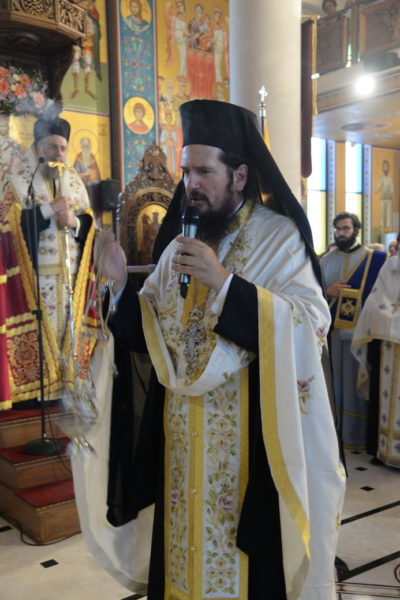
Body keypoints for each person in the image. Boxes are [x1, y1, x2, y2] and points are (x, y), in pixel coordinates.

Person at [92, 100, 345, 599]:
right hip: (179, 445)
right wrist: (119, 286)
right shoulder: (178, 244)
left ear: (240, 175)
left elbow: (312, 324)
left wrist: (226, 285)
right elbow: (149, 337)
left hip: (250, 448)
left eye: (204, 171)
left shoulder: (278, 237)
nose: (191, 183)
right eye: (187, 170)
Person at [0, 116, 97, 409]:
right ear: (38, 146)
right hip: (35, 280)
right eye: (52, 146)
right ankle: (37, 395)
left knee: (67, 334)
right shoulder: (19, 178)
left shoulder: (74, 180)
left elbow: (88, 223)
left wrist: (74, 223)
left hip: (70, 280)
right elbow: (9, 229)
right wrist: (47, 211)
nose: (58, 153)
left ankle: (66, 389)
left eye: (63, 148)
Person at [320, 212, 386, 448]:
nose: (341, 233)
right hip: (333, 333)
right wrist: (327, 291)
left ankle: (358, 435)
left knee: (356, 382)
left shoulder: (375, 259)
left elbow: (383, 295)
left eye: (346, 228)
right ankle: (335, 433)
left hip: (362, 333)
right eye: (337, 229)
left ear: (356, 230)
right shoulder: (325, 261)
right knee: (335, 382)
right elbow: (311, 292)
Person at [351, 233, 400, 468]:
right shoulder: (391, 265)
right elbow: (375, 299)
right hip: (386, 341)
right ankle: (381, 448)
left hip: (390, 333)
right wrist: (389, 318)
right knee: (382, 393)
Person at [375, 159, 395, 234]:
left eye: (387, 167)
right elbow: (377, 188)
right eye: (384, 167)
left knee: (388, 215)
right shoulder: (381, 178)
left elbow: (392, 190)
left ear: (388, 168)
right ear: (383, 168)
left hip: (389, 199)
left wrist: (393, 200)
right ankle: (382, 229)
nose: (385, 168)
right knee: (382, 215)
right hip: (382, 199)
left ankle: (388, 229)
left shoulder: (390, 179)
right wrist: (378, 188)